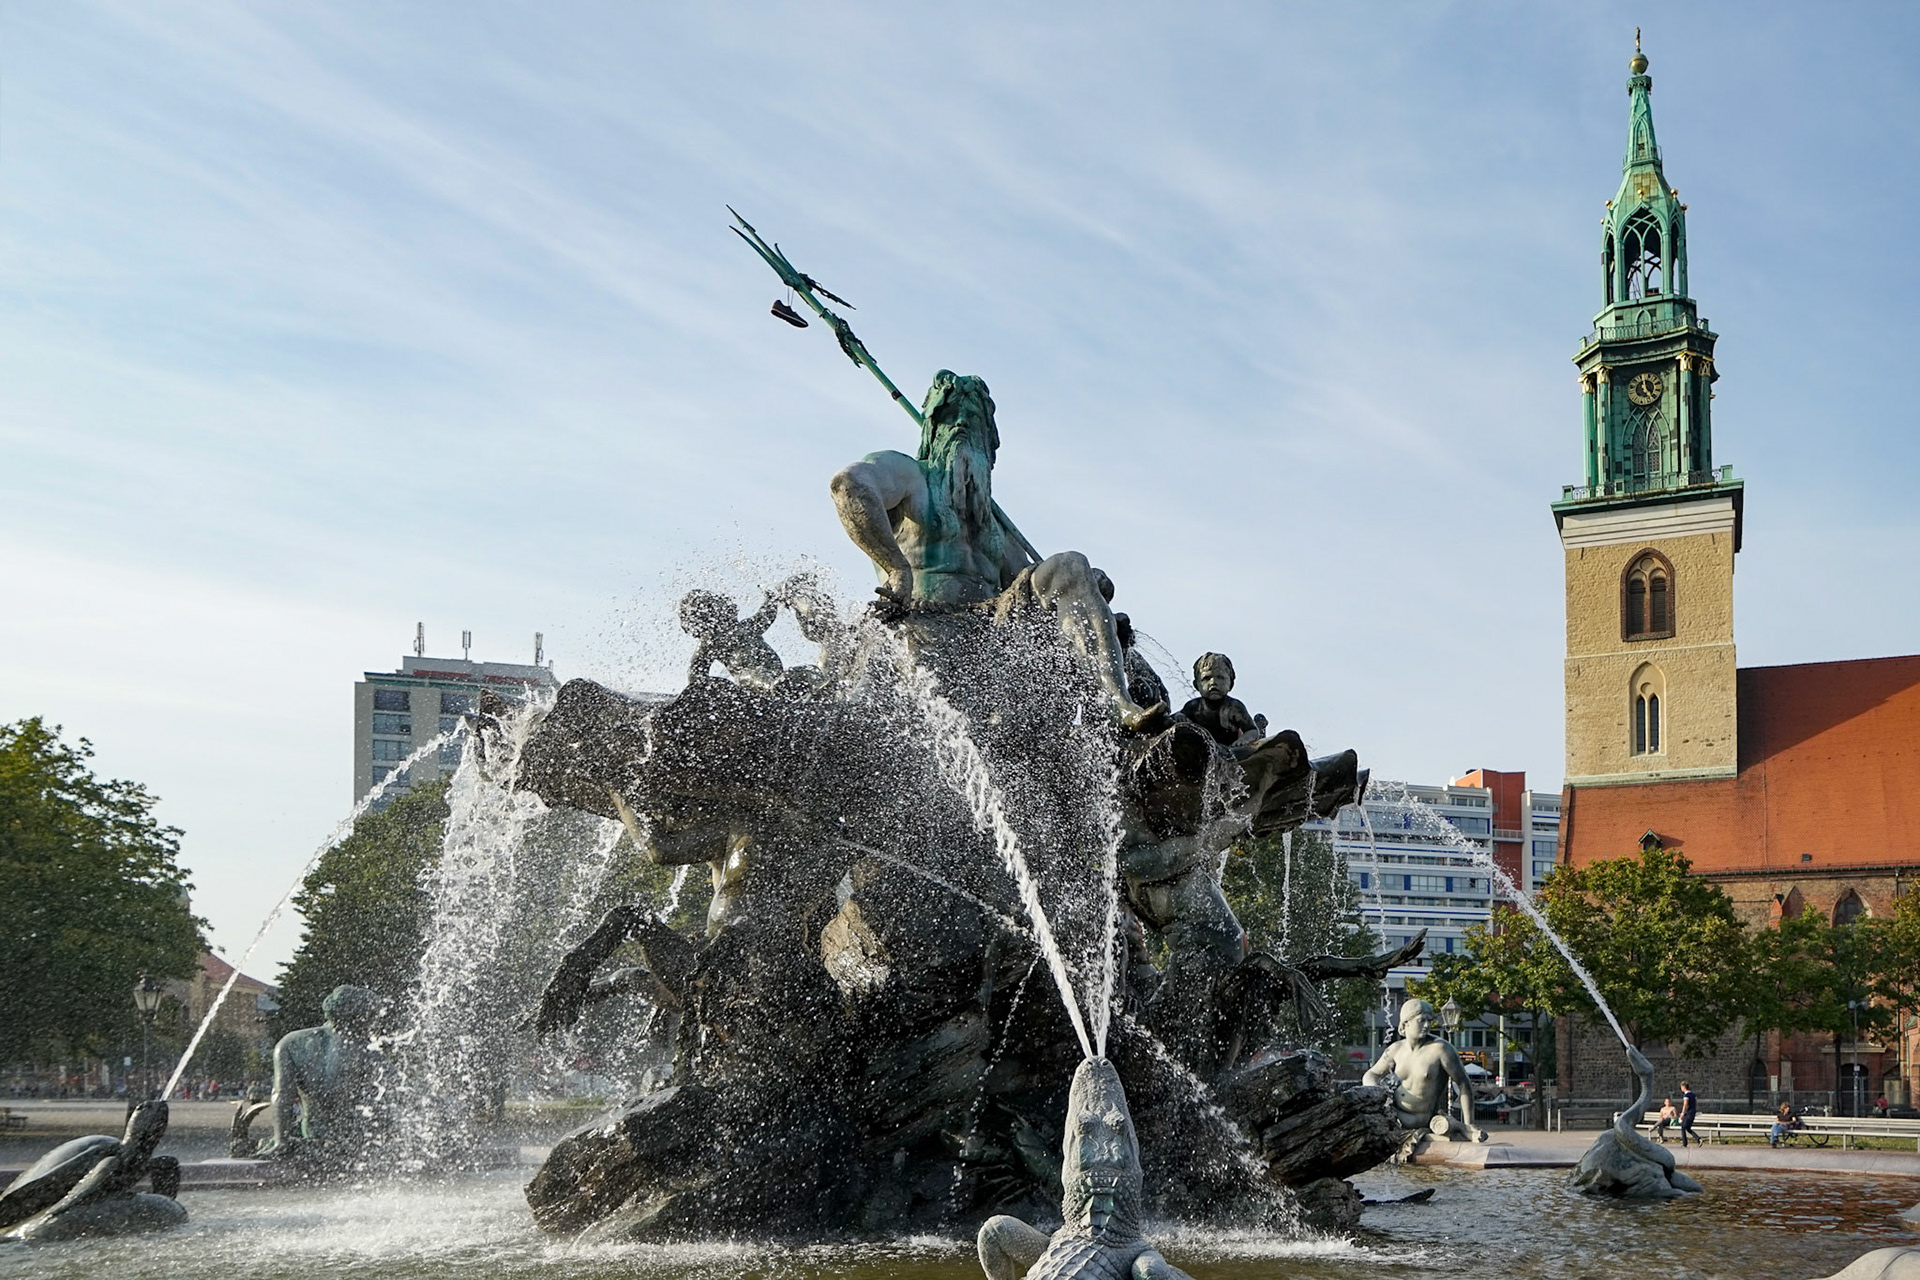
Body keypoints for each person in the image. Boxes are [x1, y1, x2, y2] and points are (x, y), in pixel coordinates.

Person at [829, 370, 1163, 729]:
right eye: (948, 416)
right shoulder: (912, 475)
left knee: (1071, 566)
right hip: (924, 616)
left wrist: (1089, 589)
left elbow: (1031, 585)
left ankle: (1116, 705)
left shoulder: (993, 525)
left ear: (989, 445)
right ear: (930, 430)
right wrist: (896, 567)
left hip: (990, 625)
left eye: (971, 420)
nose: (959, 424)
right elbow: (848, 485)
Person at [1361, 998, 1483, 1140]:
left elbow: (1463, 1083)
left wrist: (1469, 1125)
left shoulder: (1440, 1049)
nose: (1427, 1025)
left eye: (1429, 1021)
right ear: (1406, 1023)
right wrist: (1375, 1091)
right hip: (1394, 1122)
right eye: (1421, 1020)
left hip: (1427, 1123)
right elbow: (1372, 1074)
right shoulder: (1395, 1049)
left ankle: (1460, 1128)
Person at [1677, 1079, 1700, 1147]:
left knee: (1683, 1127)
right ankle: (1698, 1139)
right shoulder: (1693, 1094)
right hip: (1692, 1112)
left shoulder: (1686, 1095)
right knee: (1687, 1128)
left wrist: (1682, 1113)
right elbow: (1696, 1103)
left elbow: (1685, 1105)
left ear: (1684, 1087)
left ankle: (1684, 1143)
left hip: (1688, 1113)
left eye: (1681, 1087)